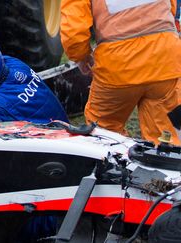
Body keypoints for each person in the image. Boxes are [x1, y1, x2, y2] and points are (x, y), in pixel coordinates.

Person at [60, 0, 181, 145]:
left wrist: (81, 57)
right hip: (166, 59)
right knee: (166, 137)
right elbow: (171, 8)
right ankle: (167, 163)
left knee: (104, 132)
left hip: (118, 66)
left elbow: (73, 32)